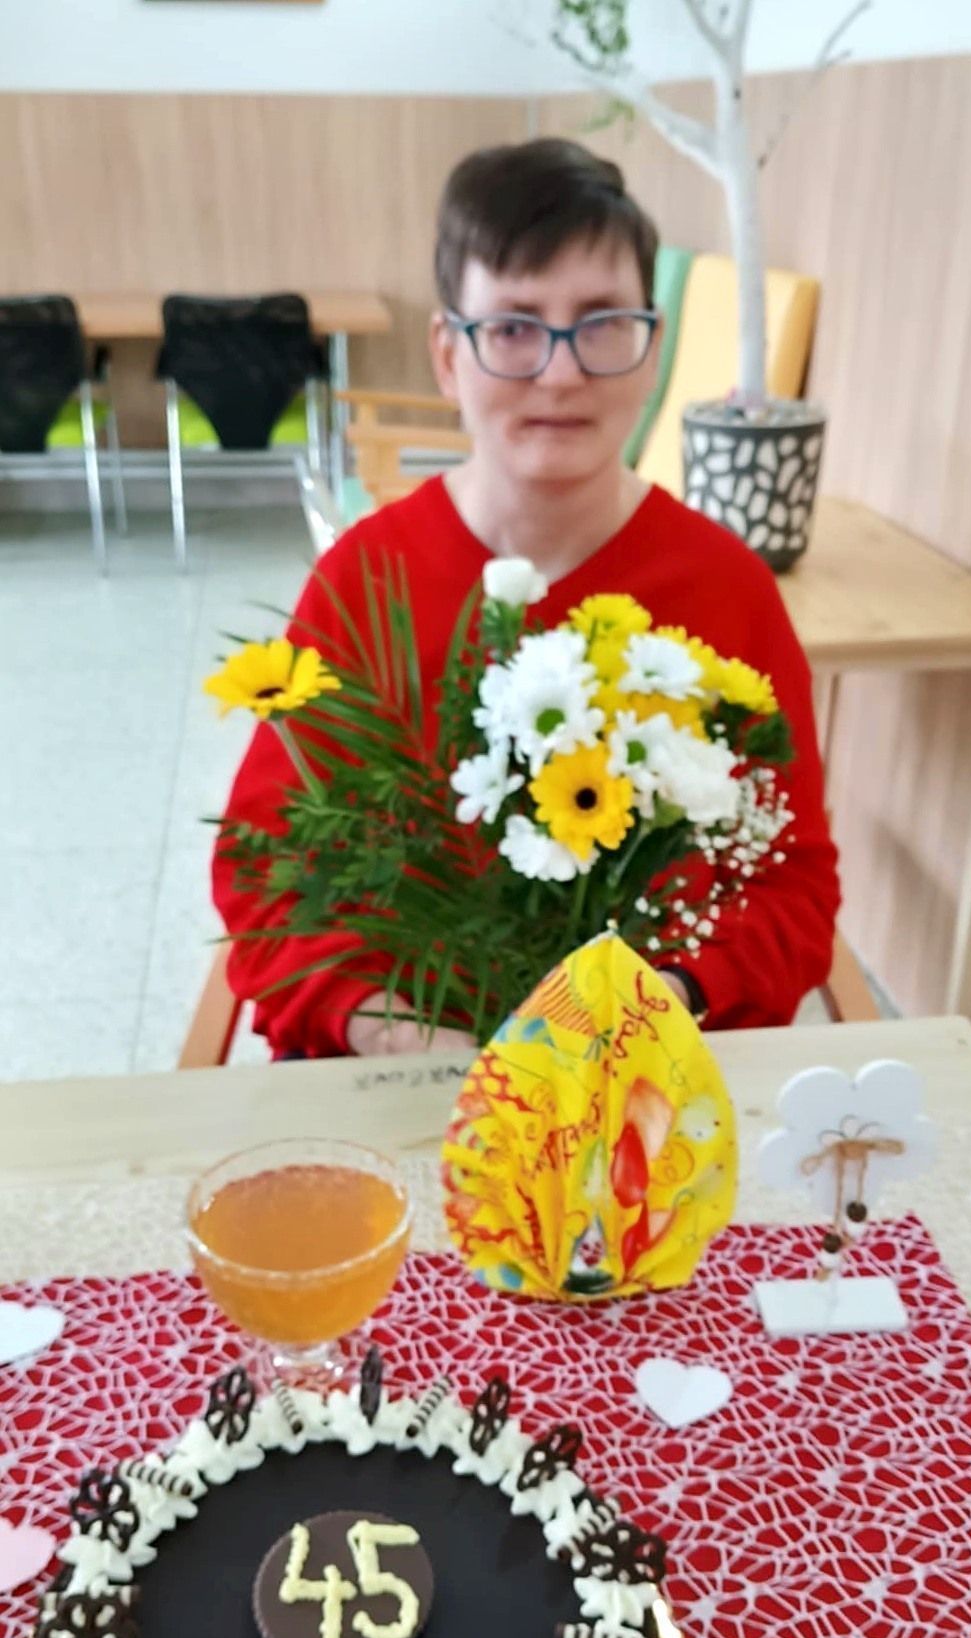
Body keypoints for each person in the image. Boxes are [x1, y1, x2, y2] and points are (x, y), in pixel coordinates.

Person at [213, 138, 841, 1060]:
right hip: (401, 1071)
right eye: (512, 327)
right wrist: (398, 1034)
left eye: (601, 322)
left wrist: (658, 1005)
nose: (560, 372)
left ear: (652, 347)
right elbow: (264, 871)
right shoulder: (364, 581)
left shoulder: (725, 588)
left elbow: (789, 887)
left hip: (638, 1073)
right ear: (446, 354)